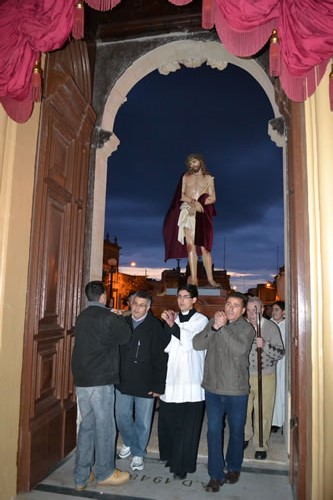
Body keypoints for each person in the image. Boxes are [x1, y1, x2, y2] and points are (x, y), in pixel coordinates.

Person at [71, 281, 132, 491]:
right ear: (104, 296)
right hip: (100, 379)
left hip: (82, 379)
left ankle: (81, 475)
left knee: (86, 426)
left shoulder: (82, 316)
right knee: (105, 426)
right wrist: (116, 316)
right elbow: (126, 336)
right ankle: (105, 472)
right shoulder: (108, 317)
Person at [193, 292, 255, 493]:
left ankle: (234, 466)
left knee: (236, 431)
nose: (230, 308)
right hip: (212, 388)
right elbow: (197, 344)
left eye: (236, 305)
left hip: (236, 390)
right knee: (213, 431)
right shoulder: (215, 321)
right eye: (228, 304)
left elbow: (239, 350)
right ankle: (215, 474)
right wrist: (213, 327)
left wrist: (222, 328)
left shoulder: (247, 328)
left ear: (243, 310)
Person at [158, 284, 208, 480]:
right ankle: (171, 457)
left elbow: (191, 342)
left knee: (188, 426)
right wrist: (168, 325)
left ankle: (183, 465)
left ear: (194, 300)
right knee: (171, 422)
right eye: (179, 296)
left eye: (186, 296)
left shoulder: (201, 320)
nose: (181, 300)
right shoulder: (175, 318)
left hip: (191, 379)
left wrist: (172, 325)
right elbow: (166, 345)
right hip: (173, 377)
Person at [115, 290, 167, 472]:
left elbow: (161, 359)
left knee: (143, 422)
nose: (138, 308)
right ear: (131, 304)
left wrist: (159, 385)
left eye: (142, 305)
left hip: (146, 381)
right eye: (135, 304)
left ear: (148, 307)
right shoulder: (122, 322)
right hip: (122, 380)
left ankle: (138, 452)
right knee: (121, 416)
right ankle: (129, 441)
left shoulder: (155, 326)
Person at [163, 153, 218, 287]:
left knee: (205, 248)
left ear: (200, 162)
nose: (193, 165)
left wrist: (202, 202)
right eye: (191, 163)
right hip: (187, 210)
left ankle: (211, 279)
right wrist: (194, 202)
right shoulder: (186, 177)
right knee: (190, 246)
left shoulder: (209, 178)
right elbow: (181, 195)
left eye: (195, 162)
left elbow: (213, 198)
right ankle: (193, 279)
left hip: (202, 213)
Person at [244, 296, 285, 460]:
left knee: (263, 411)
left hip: (265, 375)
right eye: (248, 310)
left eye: (255, 309)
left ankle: (261, 444)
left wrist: (265, 345)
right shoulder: (243, 327)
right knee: (243, 410)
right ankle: (245, 436)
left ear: (261, 310)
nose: (251, 313)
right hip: (244, 375)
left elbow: (280, 353)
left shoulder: (271, 327)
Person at [270, 300, 286, 432]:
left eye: (277, 309)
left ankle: (284, 420)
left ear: (284, 312)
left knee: (283, 390)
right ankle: (274, 421)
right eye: (273, 310)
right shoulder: (269, 324)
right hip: (272, 360)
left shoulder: (288, 325)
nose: (274, 312)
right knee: (274, 390)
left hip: (285, 362)